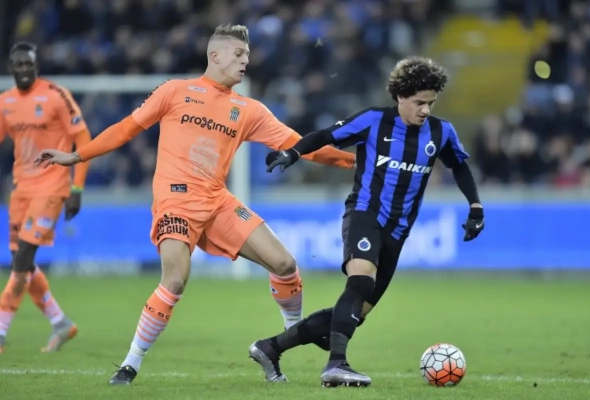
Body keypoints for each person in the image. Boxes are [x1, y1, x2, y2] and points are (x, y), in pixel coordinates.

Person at [34, 24, 356, 385]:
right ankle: (130, 365)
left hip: (217, 201)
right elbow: (126, 128)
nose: (246, 61)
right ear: (215, 55)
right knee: (175, 279)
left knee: (284, 264)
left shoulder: (248, 109)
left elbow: (300, 145)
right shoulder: (174, 91)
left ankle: (289, 337)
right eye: (239, 54)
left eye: (248, 55)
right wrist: (76, 156)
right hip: (175, 199)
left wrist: (353, 161)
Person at [249, 56, 485, 387]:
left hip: (398, 231)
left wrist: (475, 207)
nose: (425, 110)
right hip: (364, 213)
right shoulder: (374, 120)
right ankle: (336, 365)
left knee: (354, 314)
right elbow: (326, 135)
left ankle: (269, 348)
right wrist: (293, 152)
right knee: (360, 281)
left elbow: (459, 166)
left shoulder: (441, 131)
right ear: (400, 96)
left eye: (431, 103)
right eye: (419, 102)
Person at [0, 41, 91, 353]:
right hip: (20, 191)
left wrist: (77, 188)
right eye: (19, 64)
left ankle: (0, 331)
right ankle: (60, 322)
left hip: (52, 188)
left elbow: (83, 139)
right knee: (21, 262)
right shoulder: (5, 102)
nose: (24, 69)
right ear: (11, 68)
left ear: (37, 66)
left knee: (23, 259)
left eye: (29, 64)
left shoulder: (55, 95)